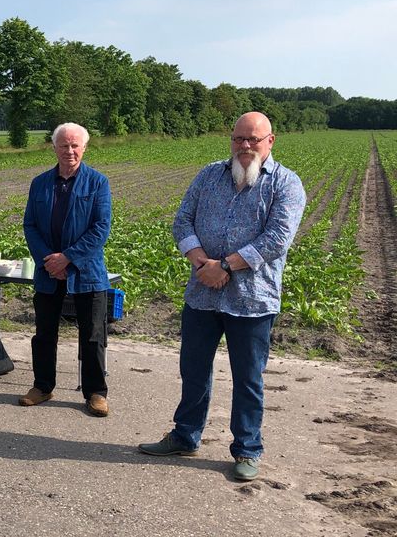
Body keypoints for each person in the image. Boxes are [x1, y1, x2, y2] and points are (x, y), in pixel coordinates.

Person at [138, 112, 306, 482]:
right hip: (201, 294)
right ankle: (185, 435)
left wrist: (226, 267)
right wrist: (201, 262)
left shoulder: (285, 184)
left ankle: (247, 448)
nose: (245, 146)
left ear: (270, 142)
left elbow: (277, 239)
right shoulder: (209, 175)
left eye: (253, 140)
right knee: (193, 370)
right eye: (238, 139)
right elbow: (182, 221)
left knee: (248, 378)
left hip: (252, 300)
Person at [18, 123, 113, 417]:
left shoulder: (98, 182)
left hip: (87, 272)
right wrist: (50, 259)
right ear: (54, 147)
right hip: (48, 271)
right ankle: (42, 386)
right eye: (63, 145)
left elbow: (101, 228)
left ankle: (95, 392)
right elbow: (30, 225)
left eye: (75, 146)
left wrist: (68, 258)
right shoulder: (40, 183)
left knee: (93, 334)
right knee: (44, 333)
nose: (69, 151)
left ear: (84, 148)